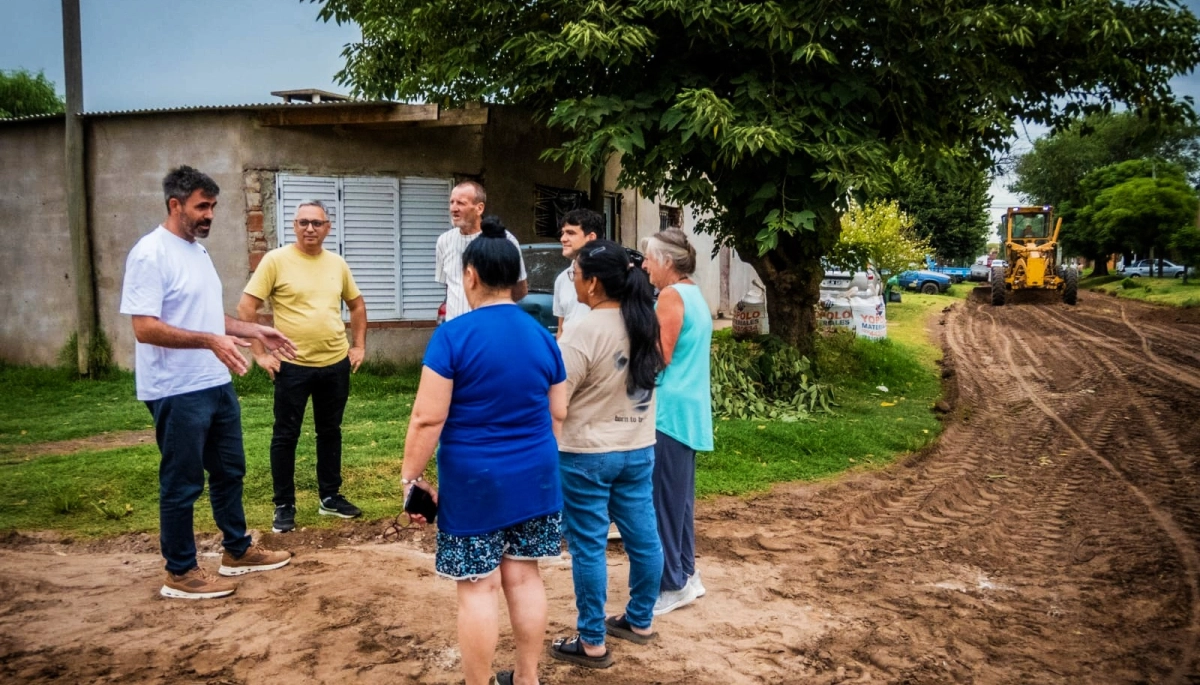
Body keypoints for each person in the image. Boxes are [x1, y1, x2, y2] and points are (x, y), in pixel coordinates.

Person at [402, 215, 566, 685]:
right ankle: (528, 678)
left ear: (469, 276)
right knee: (525, 577)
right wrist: (537, 456)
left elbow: (427, 418)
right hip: (536, 477)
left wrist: (411, 479)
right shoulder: (542, 335)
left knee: (478, 587)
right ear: (517, 280)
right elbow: (558, 412)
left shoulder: (452, 336)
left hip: (475, 482)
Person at [120, 165, 294, 600]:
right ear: (174, 205)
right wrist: (208, 342)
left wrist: (252, 331)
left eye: (213, 206)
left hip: (215, 383)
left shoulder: (197, 252)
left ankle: (236, 551)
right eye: (202, 206)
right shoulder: (150, 254)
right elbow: (145, 328)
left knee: (230, 470)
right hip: (175, 389)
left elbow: (208, 319)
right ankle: (179, 572)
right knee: (182, 483)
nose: (209, 215)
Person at [550, 240, 665, 669]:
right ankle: (639, 621)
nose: (573, 280)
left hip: (586, 454)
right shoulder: (644, 322)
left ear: (594, 283)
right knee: (643, 537)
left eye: (576, 273)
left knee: (589, 547)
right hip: (637, 448)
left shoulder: (583, 330)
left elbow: (557, 400)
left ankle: (593, 641)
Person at [236, 199, 368, 534]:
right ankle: (284, 505)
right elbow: (247, 308)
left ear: (328, 227)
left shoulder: (337, 264)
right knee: (285, 435)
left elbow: (357, 305)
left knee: (330, 431)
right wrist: (259, 354)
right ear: (294, 226)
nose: (310, 228)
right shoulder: (275, 261)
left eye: (317, 223)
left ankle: (330, 497)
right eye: (303, 222)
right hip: (292, 367)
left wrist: (359, 346)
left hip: (335, 363)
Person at [639, 228, 714, 616]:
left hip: (667, 413)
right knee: (679, 500)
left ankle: (671, 585)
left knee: (663, 503)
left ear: (667, 262)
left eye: (649, 258)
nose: (645, 266)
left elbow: (658, 357)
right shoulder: (694, 294)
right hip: (688, 409)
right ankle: (687, 573)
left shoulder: (669, 297)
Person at [435, 181, 528, 321]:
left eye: (461, 203)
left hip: (491, 327)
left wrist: (491, 309)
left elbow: (520, 289)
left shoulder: (504, 240)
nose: (453, 208)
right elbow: (449, 286)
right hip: (456, 329)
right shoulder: (444, 241)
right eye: (452, 202)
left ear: (479, 208)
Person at [553, 209, 604, 339]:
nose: (563, 239)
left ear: (591, 237)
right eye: (563, 233)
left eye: (570, 233)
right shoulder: (562, 278)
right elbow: (561, 328)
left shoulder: (609, 274)